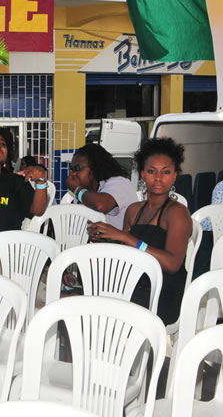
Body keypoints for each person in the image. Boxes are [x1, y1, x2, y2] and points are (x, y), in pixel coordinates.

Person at [87, 137, 193, 325]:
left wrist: (126, 237)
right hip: (132, 284)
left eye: (166, 172)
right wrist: (103, 236)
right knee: (76, 305)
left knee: (97, 313)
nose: (158, 178)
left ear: (175, 175)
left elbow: (172, 263)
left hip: (161, 293)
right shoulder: (134, 210)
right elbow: (124, 249)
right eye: (152, 171)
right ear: (143, 174)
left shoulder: (177, 213)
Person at [66, 143, 139, 229]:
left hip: (121, 242)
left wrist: (76, 189)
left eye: (77, 169)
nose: (73, 174)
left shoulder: (120, 183)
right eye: (71, 169)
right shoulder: (85, 194)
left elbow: (100, 205)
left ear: (95, 167)